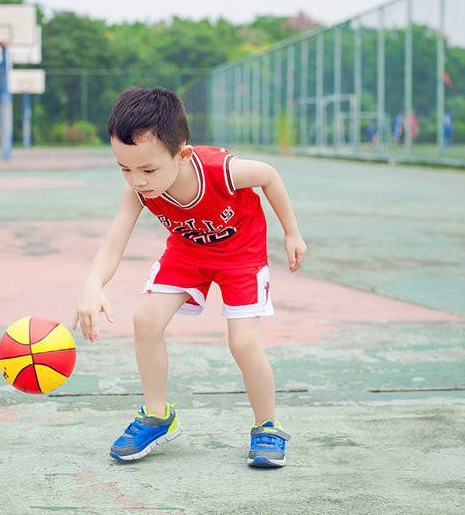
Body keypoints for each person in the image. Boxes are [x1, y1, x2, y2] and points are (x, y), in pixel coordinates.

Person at [74, 87, 307, 468]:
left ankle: (268, 426)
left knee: (243, 343)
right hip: (188, 253)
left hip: (241, 255)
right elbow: (113, 245)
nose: (138, 180)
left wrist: (292, 232)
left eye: (148, 170)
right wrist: (91, 286)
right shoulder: (139, 192)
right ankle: (157, 416)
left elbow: (270, 175)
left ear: (182, 154)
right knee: (145, 319)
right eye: (125, 169)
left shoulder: (223, 171)